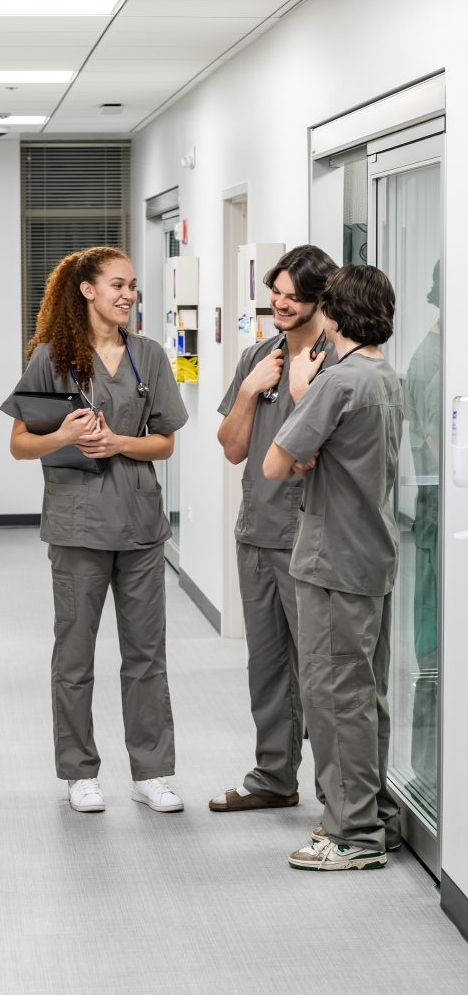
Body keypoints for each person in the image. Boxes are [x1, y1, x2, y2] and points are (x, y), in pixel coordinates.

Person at [1, 246, 188, 814]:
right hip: (78, 526)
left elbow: (165, 441)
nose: (128, 294)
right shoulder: (51, 358)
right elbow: (18, 445)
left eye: (133, 286)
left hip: (139, 525)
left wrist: (118, 443)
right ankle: (80, 772)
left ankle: (152, 772)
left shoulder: (149, 357)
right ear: (86, 290)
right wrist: (63, 436)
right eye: (117, 285)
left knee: (146, 654)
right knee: (75, 654)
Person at [264, 263, 403, 871]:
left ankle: (352, 834)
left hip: (332, 561)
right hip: (370, 554)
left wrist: (299, 396)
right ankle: (372, 816)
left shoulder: (337, 381)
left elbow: (275, 464)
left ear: (334, 314)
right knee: (365, 693)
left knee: (335, 694)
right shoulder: (384, 377)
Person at [210, 245, 337, 814]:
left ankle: (340, 802)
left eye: (293, 295)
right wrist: (247, 390)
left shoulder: (337, 365)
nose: (280, 304)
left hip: (312, 539)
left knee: (320, 674)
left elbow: (316, 456)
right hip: (257, 533)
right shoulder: (257, 358)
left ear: (320, 298)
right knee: (265, 666)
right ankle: (273, 777)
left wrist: (296, 392)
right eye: (276, 293)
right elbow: (233, 448)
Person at [404, 260, 440, 812]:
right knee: (436, 657)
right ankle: (430, 777)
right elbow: (437, 454)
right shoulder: (435, 365)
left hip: (436, 527)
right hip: (439, 528)